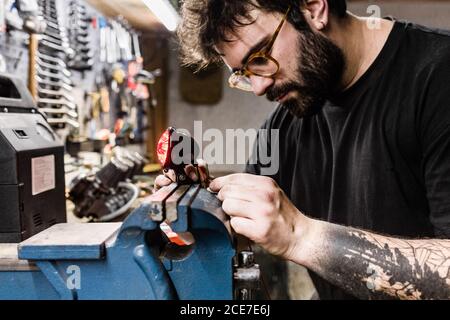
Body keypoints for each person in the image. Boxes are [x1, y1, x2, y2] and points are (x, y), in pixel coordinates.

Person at [156, 0, 450, 300]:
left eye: (259, 57)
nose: (258, 87)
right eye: (244, 72)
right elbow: (240, 230)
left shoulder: (438, 76)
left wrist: (302, 235)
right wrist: (193, 211)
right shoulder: (287, 124)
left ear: (314, 8)